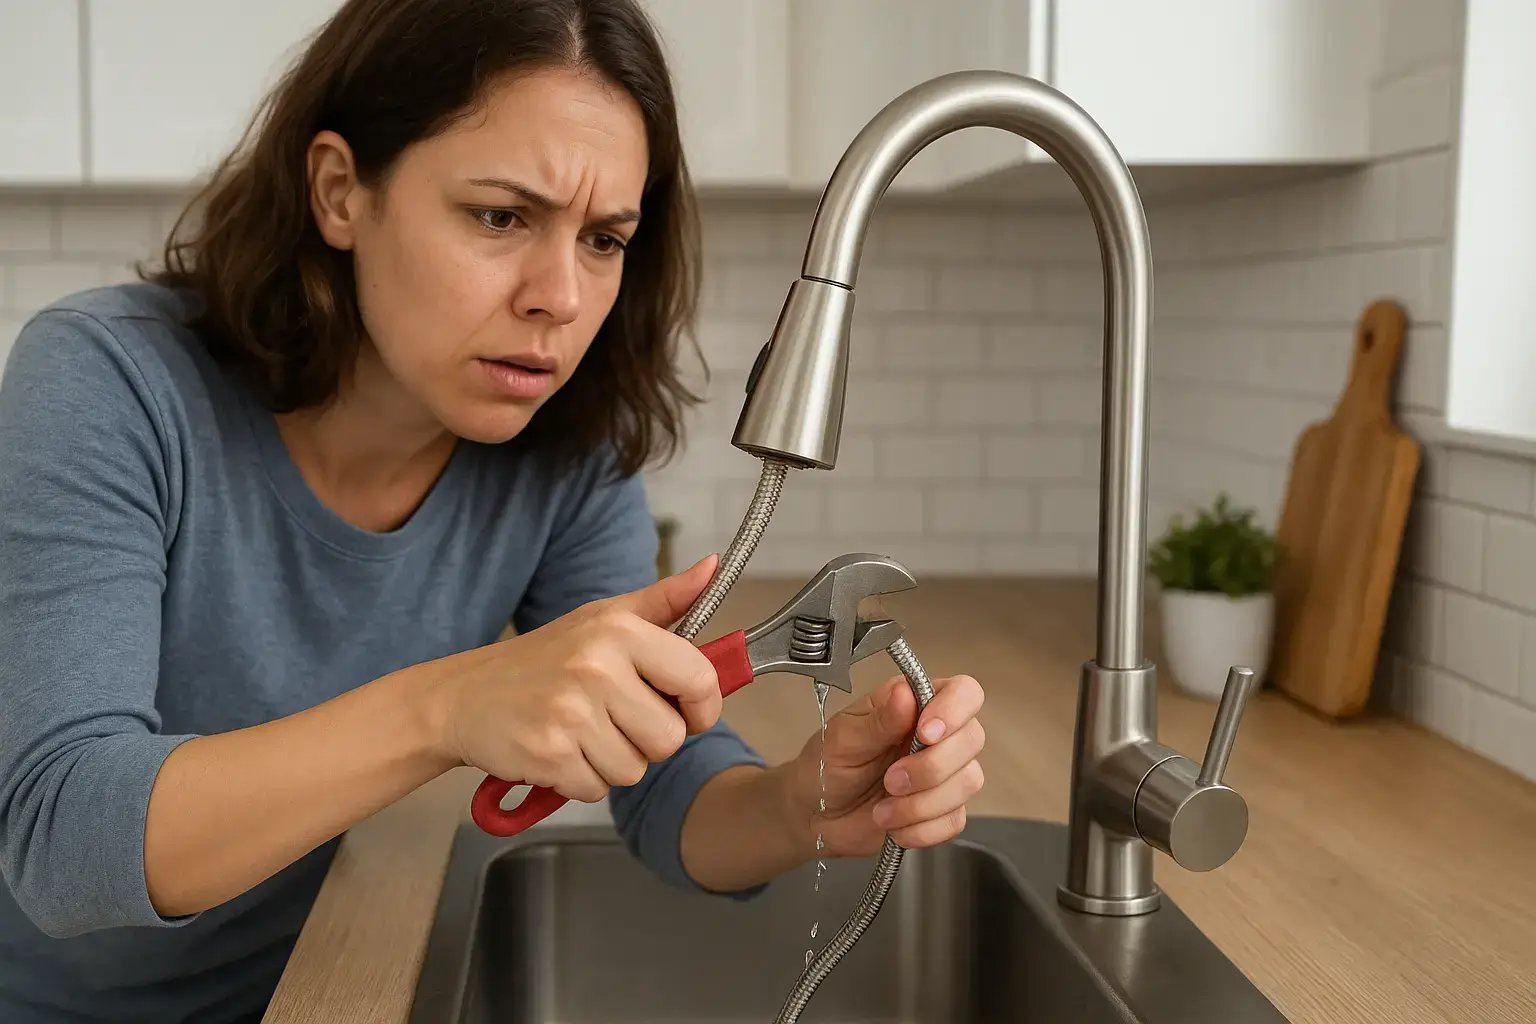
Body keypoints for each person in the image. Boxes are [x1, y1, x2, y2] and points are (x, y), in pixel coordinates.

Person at [0, 1, 987, 1021]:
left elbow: (669, 782)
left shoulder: (562, 452)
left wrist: (803, 803)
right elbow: (63, 836)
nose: (558, 295)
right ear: (342, 192)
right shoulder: (106, 382)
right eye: (501, 216)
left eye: (604, 238)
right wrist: (452, 705)